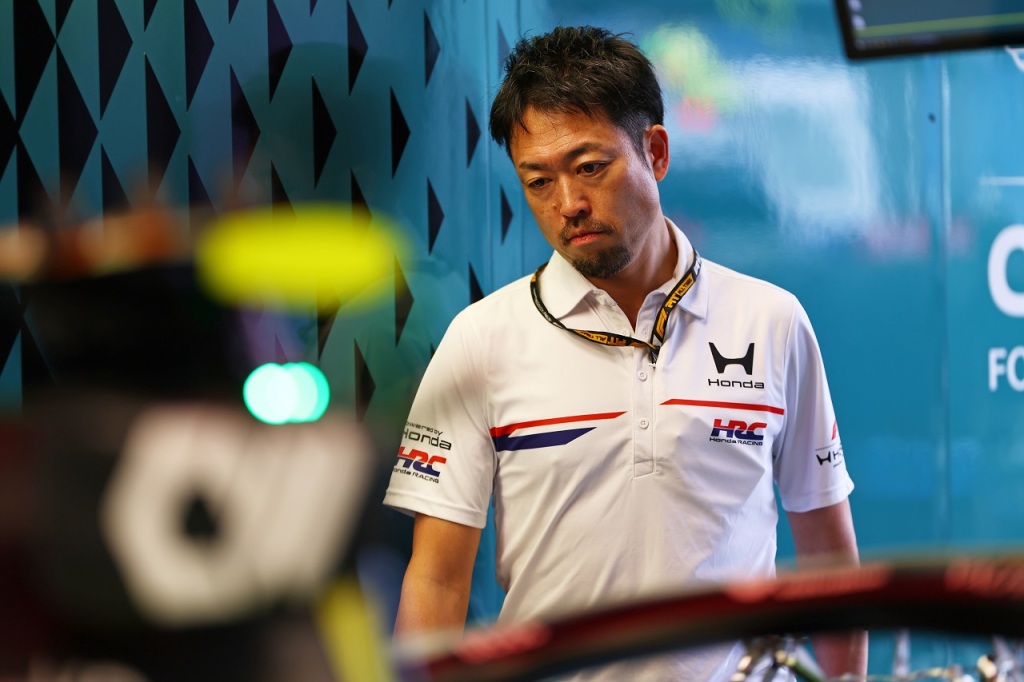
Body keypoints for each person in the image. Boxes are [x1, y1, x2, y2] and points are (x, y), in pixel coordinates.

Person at [383, 25, 867, 680]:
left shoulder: (773, 321)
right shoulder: (480, 339)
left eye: (590, 167)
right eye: (538, 181)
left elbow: (830, 565)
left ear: (655, 152)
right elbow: (437, 580)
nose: (568, 205)